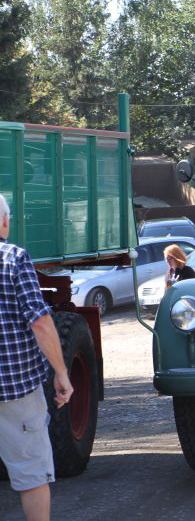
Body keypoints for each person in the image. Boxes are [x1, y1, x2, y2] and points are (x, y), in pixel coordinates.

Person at [0, 193, 73, 521]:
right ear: (5, 221)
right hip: (15, 390)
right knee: (31, 475)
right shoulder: (13, 258)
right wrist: (61, 372)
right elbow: (40, 321)